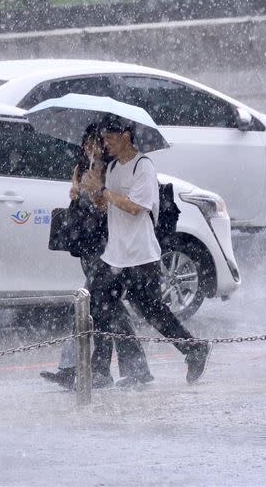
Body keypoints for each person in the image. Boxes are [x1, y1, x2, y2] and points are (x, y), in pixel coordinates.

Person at [77, 115, 211, 388]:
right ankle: (101, 370)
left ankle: (193, 348)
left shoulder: (143, 167)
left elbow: (136, 207)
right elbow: (107, 208)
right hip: (114, 254)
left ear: (127, 135)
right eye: (103, 139)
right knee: (100, 307)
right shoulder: (112, 168)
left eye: (111, 138)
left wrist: (104, 190)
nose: (106, 143)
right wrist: (93, 190)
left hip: (140, 256)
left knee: (155, 313)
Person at [40, 124, 153, 389]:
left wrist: (97, 191)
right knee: (108, 310)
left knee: (91, 307)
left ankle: (78, 368)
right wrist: (77, 190)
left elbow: (110, 210)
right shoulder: (82, 168)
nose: (90, 148)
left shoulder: (112, 172)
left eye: (96, 143)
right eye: (87, 143)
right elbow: (79, 202)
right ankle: (131, 369)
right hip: (87, 248)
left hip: (107, 248)